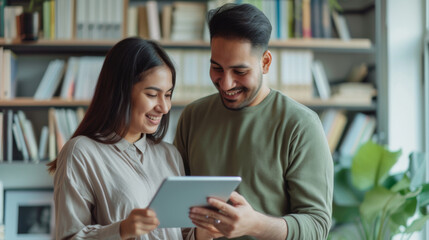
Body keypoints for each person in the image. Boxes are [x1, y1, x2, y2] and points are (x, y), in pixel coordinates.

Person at [174, 3, 334, 240]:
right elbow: (176, 213)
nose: (226, 83)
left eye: (239, 71)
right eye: (217, 68)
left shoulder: (301, 125)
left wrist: (255, 225)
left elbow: (317, 225)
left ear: (266, 62)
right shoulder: (192, 117)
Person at [47, 37, 220, 240]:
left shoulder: (169, 154)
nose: (164, 107)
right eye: (152, 94)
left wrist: (205, 231)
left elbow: (182, 234)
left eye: (168, 95)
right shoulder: (81, 152)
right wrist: (122, 230)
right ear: (119, 91)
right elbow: (69, 237)